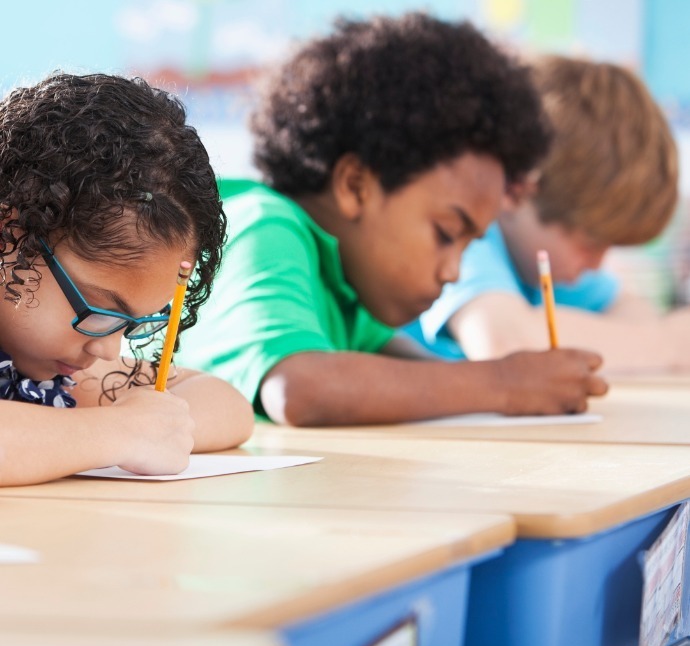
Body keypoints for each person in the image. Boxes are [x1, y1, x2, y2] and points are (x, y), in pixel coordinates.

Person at [177, 13, 608, 427]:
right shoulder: (264, 227)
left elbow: (410, 372)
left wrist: (534, 382)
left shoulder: (342, 284)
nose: (453, 271)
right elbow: (300, 388)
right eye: (446, 234)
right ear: (355, 185)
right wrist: (506, 384)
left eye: (469, 245)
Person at [0, 72, 254, 486]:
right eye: (99, 309)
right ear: (10, 234)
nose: (107, 349)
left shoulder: (45, 366)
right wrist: (119, 432)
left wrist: (152, 424)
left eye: (131, 324)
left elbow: (226, 404)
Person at [418, 55, 688, 373]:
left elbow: (631, 312)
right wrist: (666, 342)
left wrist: (654, 338)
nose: (597, 264)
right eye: (589, 244)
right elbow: (503, 344)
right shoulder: (466, 237)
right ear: (520, 191)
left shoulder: (538, 260)